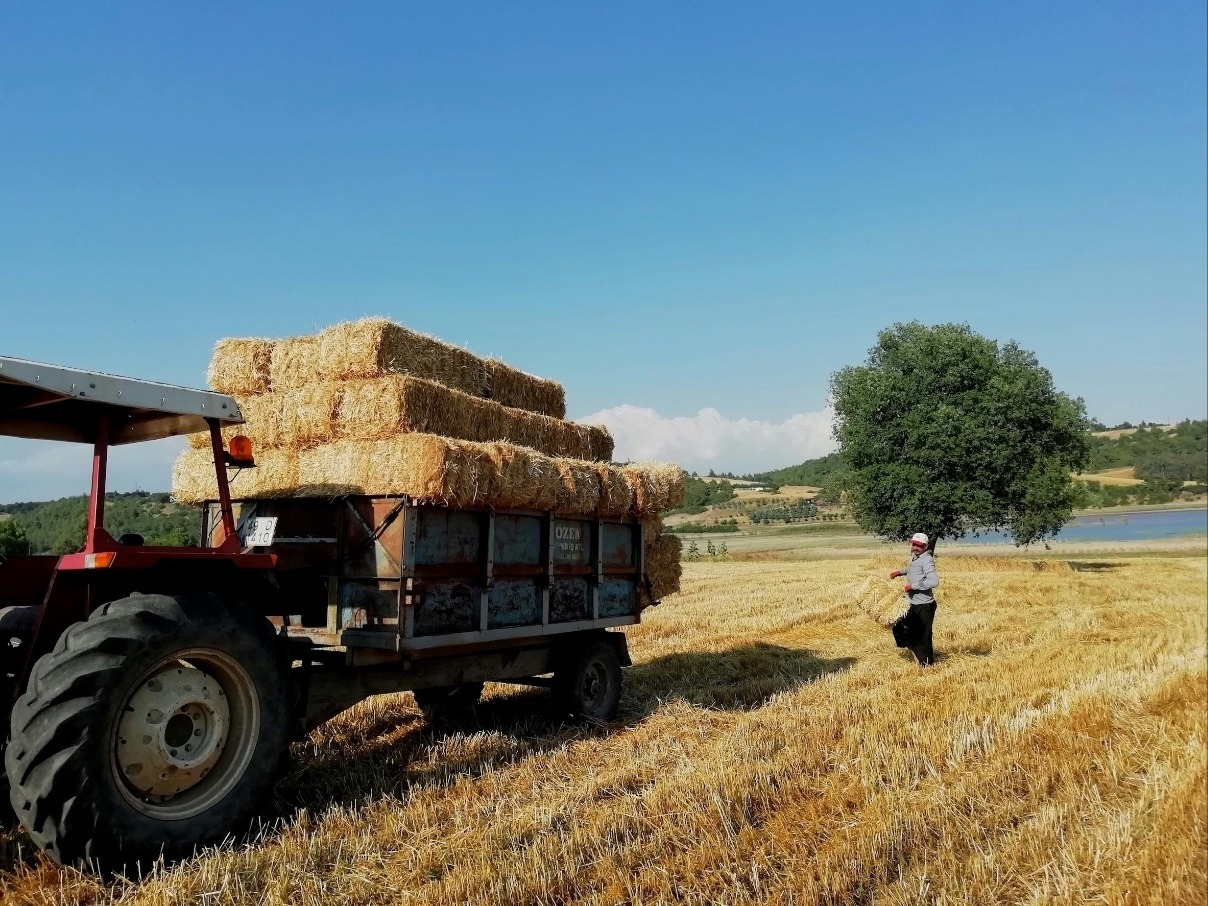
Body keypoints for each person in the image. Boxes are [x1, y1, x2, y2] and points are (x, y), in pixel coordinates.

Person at [890, 532, 939, 665]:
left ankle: (926, 664)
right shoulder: (915, 557)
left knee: (923, 636)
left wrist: (913, 586)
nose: (916, 547)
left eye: (919, 545)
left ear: (925, 546)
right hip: (911, 603)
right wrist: (899, 572)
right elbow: (913, 569)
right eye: (914, 544)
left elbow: (934, 581)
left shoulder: (927, 560)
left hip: (924, 605)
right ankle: (918, 657)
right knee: (902, 629)